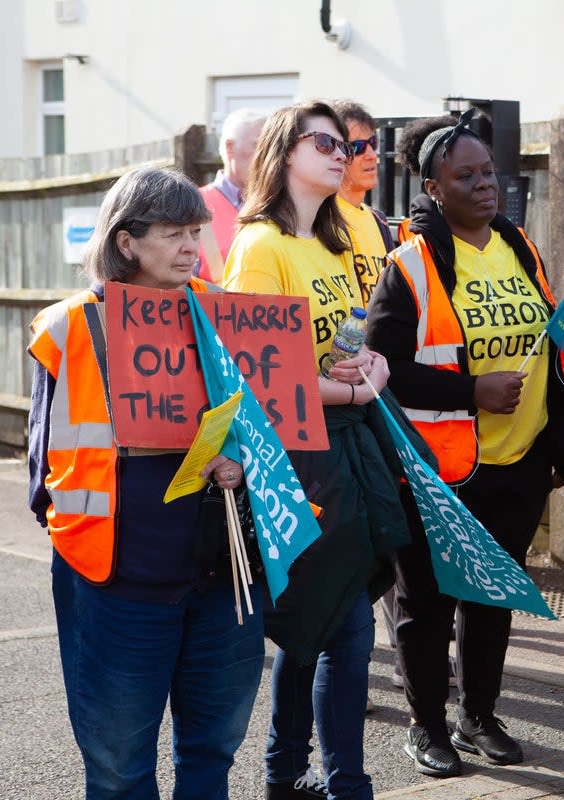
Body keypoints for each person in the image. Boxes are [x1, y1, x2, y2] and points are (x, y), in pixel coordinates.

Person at [27, 166, 262, 799]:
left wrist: (242, 461)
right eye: (174, 233)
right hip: (117, 582)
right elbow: (42, 471)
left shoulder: (229, 316)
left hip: (223, 579)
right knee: (117, 767)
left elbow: (266, 430)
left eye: (197, 230)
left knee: (212, 753)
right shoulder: (70, 327)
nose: (192, 245)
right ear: (126, 242)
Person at [366, 112, 564, 778]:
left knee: (493, 597)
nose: (487, 185)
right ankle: (427, 726)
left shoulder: (519, 245)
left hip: (518, 465)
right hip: (440, 470)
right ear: (433, 186)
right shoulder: (410, 264)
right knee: (424, 608)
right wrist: (470, 390)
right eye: (468, 176)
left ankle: (479, 715)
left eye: (489, 172)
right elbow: (381, 366)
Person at [224, 100, 418, 800]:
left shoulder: (335, 242)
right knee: (320, 626)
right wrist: (352, 395)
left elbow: (354, 342)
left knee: (341, 625)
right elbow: (255, 380)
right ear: (284, 151)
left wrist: (377, 371)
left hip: (350, 444)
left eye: (349, 143)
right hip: (298, 455)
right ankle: (312, 777)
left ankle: (317, 779)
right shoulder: (259, 248)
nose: (344, 152)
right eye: (326, 141)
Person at [331, 100, 395, 305]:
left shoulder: (379, 221)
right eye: (357, 147)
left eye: (373, 143)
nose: (370, 155)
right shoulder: (322, 217)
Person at [197, 107, 267, 281]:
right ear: (230, 147)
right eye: (258, 145)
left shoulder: (281, 204)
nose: (268, 156)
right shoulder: (194, 205)